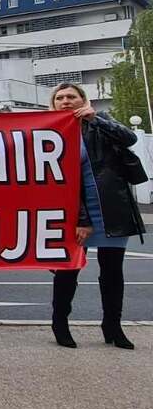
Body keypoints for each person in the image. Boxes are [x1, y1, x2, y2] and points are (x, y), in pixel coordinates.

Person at [49, 82, 144, 349]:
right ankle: (60, 324)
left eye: (72, 96)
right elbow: (59, 181)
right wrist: (82, 219)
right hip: (74, 214)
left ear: (83, 100)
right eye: (60, 97)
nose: (66, 101)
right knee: (68, 271)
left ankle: (113, 326)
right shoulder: (51, 131)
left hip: (112, 210)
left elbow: (130, 139)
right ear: (53, 103)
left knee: (113, 272)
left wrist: (96, 120)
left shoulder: (100, 122)